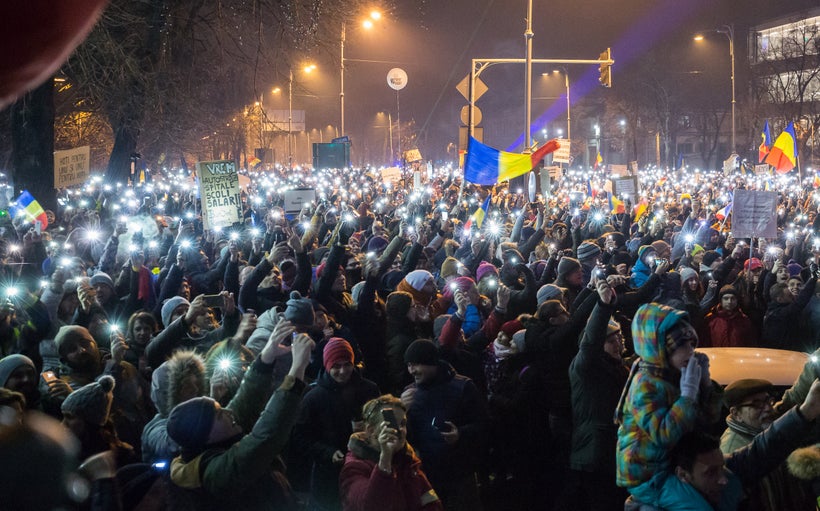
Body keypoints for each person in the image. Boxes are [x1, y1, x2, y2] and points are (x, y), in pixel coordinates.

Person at [165, 329, 314, 510]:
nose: (228, 412)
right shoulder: (213, 473)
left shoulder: (212, 442)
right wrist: (296, 370)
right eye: (220, 414)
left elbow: (244, 403)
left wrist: (266, 358)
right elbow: (264, 438)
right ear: (207, 436)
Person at [633, 379, 820, 511]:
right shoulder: (656, 504)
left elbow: (766, 447)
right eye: (711, 472)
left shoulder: (727, 472)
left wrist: (806, 411)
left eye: (722, 466)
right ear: (682, 474)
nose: (724, 478)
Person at [615, 303, 720, 508]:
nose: (690, 351)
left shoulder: (675, 374)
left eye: (692, 344)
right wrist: (688, 396)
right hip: (647, 475)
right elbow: (664, 434)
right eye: (682, 346)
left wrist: (706, 385)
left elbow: (709, 419)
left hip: (672, 465)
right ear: (659, 349)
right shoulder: (645, 385)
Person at [291, 338, 380, 511]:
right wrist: (327, 452)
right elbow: (300, 437)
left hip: (366, 467)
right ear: (326, 365)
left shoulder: (369, 390)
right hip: (328, 475)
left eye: (347, 364)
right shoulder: (313, 398)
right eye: (336, 366)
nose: (342, 371)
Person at [400, 339, 488, 511]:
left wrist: (460, 434)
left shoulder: (463, 387)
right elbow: (405, 436)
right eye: (409, 365)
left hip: (461, 473)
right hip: (426, 474)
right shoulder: (409, 393)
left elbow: (484, 424)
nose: (411, 371)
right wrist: (401, 411)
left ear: (431, 363)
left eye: (416, 365)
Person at [567, 279, 629, 511]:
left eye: (619, 338)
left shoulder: (620, 367)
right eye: (611, 340)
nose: (618, 343)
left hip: (615, 451)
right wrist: (603, 307)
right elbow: (590, 344)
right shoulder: (584, 367)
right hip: (593, 454)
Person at [720, 378, 814, 510]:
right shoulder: (732, 450)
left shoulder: (766, 432)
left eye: (768, 401)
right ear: (736, 414)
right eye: (757, 404)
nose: (768, 408)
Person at [339, 394, 443, 511]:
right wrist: (385, 458)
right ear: (371, 430)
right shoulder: (354, 468)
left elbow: (431, 502)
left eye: (403, 424)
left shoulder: (408, 461)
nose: (400, 430)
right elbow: (371, 507)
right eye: (392, 423)